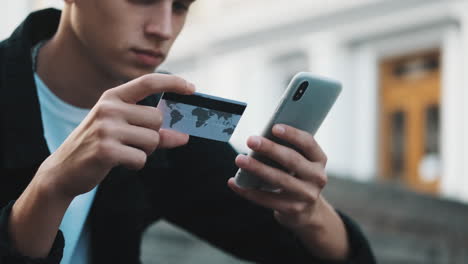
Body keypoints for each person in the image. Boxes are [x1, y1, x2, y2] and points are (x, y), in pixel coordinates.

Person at [0, 1, 376, 263]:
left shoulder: (167, 114)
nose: (162, 28)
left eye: (180, 6)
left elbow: (278, 243)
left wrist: (309, 212)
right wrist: (51, 186)